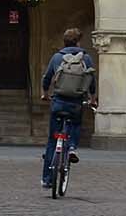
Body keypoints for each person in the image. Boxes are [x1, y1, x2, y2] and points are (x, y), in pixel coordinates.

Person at [39, 26, 95, 190]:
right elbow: (92, 80)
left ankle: (47, 179)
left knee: (52, 140)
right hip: (76, 102)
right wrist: (93, 99)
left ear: (64, 42)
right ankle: (71, 147)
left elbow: (47, 78)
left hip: (58, 102)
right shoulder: (85, 57)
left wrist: (45, 93)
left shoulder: (57, 57)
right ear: (78, 42)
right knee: (75, 123)